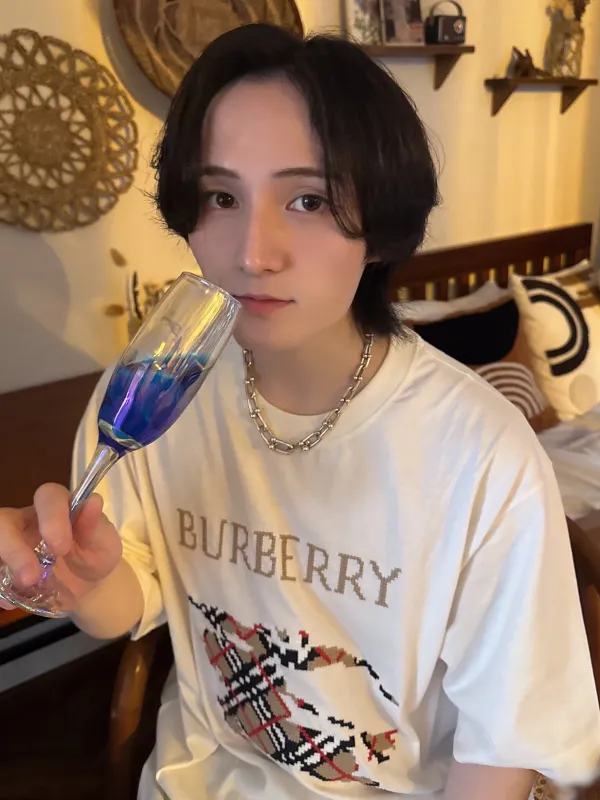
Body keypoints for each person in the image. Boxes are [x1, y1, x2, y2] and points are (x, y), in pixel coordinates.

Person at [1, 23, 599, 800]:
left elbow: (504, 744)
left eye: (308, 199)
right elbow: (130, 598)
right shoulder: (154, 394)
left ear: (379, 225)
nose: (253, 252)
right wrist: (81, 579)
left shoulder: (481, 454)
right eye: (221, 197)